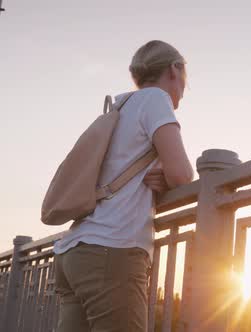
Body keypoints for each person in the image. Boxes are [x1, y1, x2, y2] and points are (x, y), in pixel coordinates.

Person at [53, 40, 194, 332]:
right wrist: (168, 175)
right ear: (174, 69)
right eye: (184, 77)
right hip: (111, 252)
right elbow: (182, 174)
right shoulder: (155, 99)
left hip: (73, 253)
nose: (184, 86)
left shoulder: (119, 107)